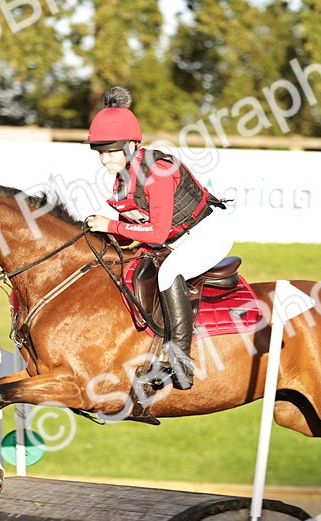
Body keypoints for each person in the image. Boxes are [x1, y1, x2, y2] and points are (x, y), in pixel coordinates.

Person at [84, 87, 231, 391]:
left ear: (133, 145)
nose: (105, 158)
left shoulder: (158, 172)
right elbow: (130, 233)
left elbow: (156, 233)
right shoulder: (121, 181)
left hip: (207, 234)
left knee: (168, 273)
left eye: (112, 150)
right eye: (101, 151)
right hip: (177, 240)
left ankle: (181, 364)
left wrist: (111, 225)